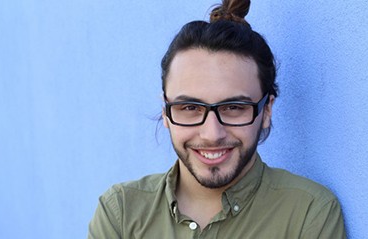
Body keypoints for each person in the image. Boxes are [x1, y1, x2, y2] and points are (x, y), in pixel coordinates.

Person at [88, 0, 346, 238]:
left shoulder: (308, 213)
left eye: (234, 107)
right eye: (190, 107)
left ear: (266, 110)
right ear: (166, 112)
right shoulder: (121, 212)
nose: (212, 134)